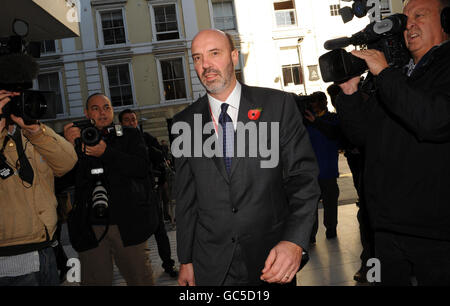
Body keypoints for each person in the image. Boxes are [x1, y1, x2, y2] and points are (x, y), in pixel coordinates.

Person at [173, 29, 320, 286]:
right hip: (211, 265)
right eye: (197, 58)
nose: (205, 64)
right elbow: (186, 200)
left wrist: (294, 240)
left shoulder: (278, 106)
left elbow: (303, 179)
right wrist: (186, 261)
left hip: (270, 258)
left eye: (214, 53)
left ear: (234, 57)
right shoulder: (184, 123)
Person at [335, 0, 450, 285]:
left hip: (436, 233)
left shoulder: (440, 69)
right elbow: (361, 136)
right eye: (405, 17)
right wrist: (349, 94)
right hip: (385, 229)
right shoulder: (397, 73)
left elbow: (432, 121)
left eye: (419, 16)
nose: (408, 24)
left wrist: (385, 74)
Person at [63, 93, 156, 285]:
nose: (102, 113)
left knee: (141, 280)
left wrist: (106, 153)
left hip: (128, 226)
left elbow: (141, 168)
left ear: (113, 110)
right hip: (91, 228)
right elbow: (63, 180)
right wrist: (67, 148)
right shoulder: (78, 141)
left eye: (106, 107)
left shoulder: (129, 135)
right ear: (87, 113)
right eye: (95, 109)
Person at [0, 90, 77, 286]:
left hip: (45, 248)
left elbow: (67, 163)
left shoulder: (32, 136)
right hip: (9, 258)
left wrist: (35, 129)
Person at [118, 108, 178, 278]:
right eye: (127, 120)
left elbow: (160, 157)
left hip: (149, 193)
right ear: (121, 123)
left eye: (133, 119)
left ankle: (168, 264)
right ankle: (137, 269)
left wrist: (148, 150)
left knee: (160, 230)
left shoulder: (146, 138)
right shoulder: (118, 141)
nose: (131, 122)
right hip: (130, 196)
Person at [304, 91, 340, 241]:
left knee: (330, 201)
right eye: (311, 102)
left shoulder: (332, 118)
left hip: (328, 170)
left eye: (316, 102)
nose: (314, 105)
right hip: (310, 172)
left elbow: (333, 133)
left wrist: (316, 121)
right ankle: (311, 234)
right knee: (310, 206)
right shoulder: (305, 122)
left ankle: (331, 228)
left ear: (324, 102)